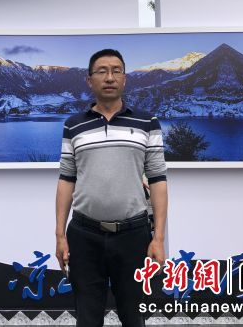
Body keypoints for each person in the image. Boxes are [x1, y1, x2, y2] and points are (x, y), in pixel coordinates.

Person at [55, 49, 168, 327]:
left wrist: (158, 239)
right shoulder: (74, 125)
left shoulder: (147, 123)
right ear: (89, 80)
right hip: (84, 235)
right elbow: (66, 179)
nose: (109, 77)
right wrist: (60, 234)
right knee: (87, 318)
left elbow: (158, 180)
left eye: (116, 71)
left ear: (124, 79)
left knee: (134, 317)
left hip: (133, 235)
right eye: (102, 71)